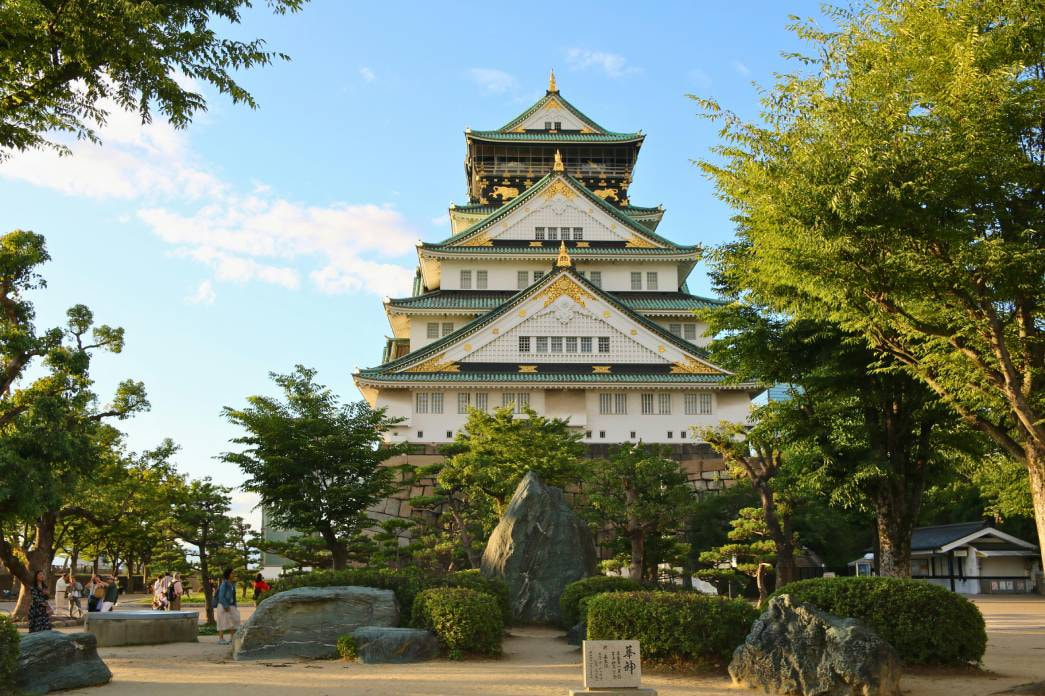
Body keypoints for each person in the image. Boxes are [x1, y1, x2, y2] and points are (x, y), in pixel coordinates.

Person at [214, 568, 240, 645]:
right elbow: (221, 596)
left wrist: (235, 604)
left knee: (235, 620)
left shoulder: (231, 584)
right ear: (228, 574)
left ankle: (232, 638)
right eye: (232, 573)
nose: (233, 574)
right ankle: (221, 639)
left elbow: (233, 595)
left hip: (231, 605)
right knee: (222, 622)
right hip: (223, 605)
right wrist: (225, 605)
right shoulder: (224, 584)